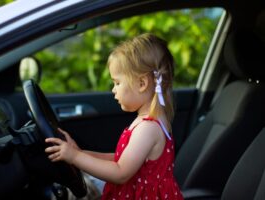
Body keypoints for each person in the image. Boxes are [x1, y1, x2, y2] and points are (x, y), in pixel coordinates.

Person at [45, 33, 184, 200]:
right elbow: (120, 159)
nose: (113, 89)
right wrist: (80, 153)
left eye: (117, 82)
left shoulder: (148, 128)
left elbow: (120, 173)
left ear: (142, 84)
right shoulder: (148, 121)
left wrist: (74, 157)